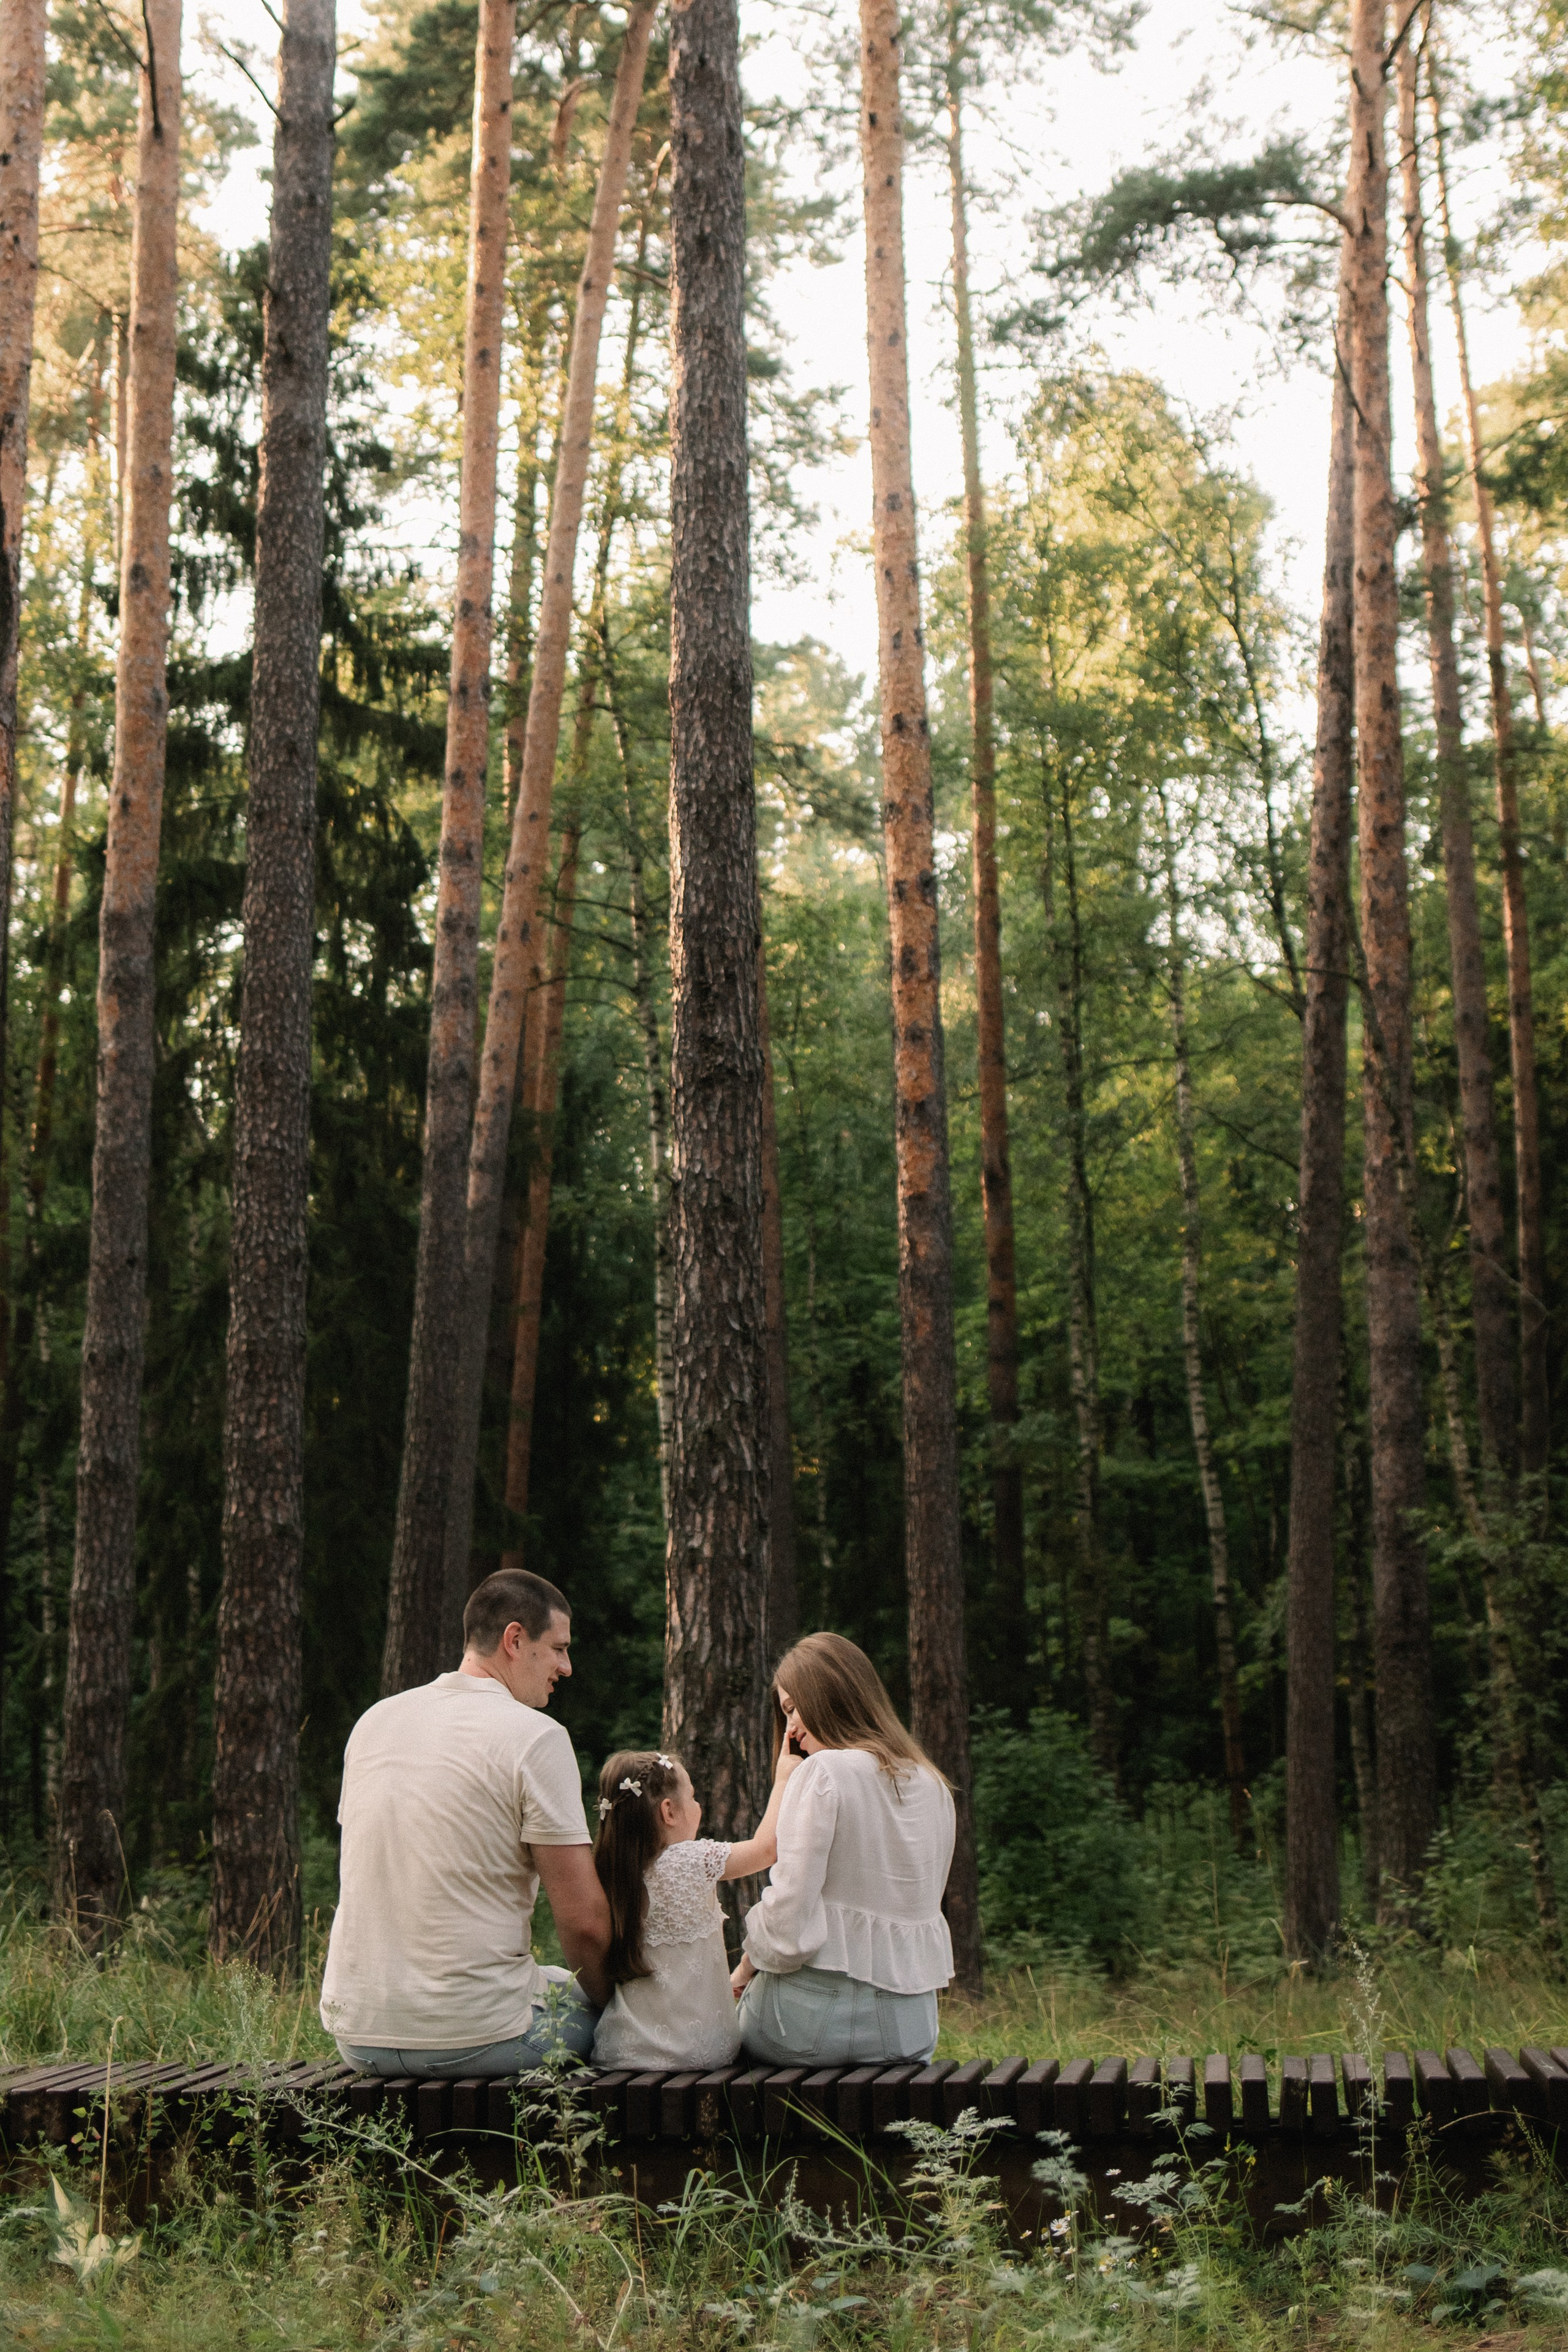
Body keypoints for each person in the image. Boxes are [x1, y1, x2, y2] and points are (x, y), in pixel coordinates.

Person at [320, 1568, 611, 2079]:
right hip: (484, 2038)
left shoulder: (373, 1723)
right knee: (616, 2013)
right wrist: (625, 2008)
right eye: (559, 1648)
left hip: (360, 2037)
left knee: (556, 1982)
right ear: (515, 1640)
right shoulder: (535, 1737)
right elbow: (585, 1925)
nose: (567, 1667)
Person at [733, 1632, 956, 2066]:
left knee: (717, 2037)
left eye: (793, 1708)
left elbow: (790, 1914)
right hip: (911, 2029)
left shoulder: (823, 1772)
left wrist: (742, 1974)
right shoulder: (933, 1782)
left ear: (827, 1698)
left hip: (811, 2022)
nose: (791, 1728)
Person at [589, 1742, 801, 2070]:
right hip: (699, 2052)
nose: (698, 1806)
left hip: (622, 2051)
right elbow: (766, 1849)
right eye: (693, 1797)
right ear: (669, 1811)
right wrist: (784, 1780)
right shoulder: (691, 1860)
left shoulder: (611, 1872)